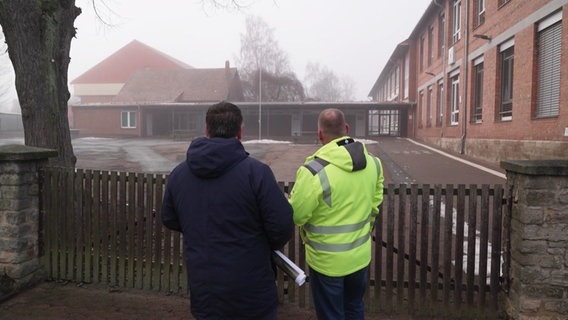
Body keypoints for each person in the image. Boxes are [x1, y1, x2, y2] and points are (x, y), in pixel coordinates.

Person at [161, 101, 294, 320]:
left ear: (206, 129)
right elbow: (281, 226)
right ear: (240, 131)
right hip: (252, 289)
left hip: (205, 287)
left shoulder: (179, 174)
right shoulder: (257, 173)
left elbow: (170, 218)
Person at [288, 108, 384, 320]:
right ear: (347, 129)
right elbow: (375, 204)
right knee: (354, 307)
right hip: (360, 256)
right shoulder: (374, 164)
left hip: (327, 262)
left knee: (332, 315)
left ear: (320, 134)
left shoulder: (313, 171)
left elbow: (296, 216)